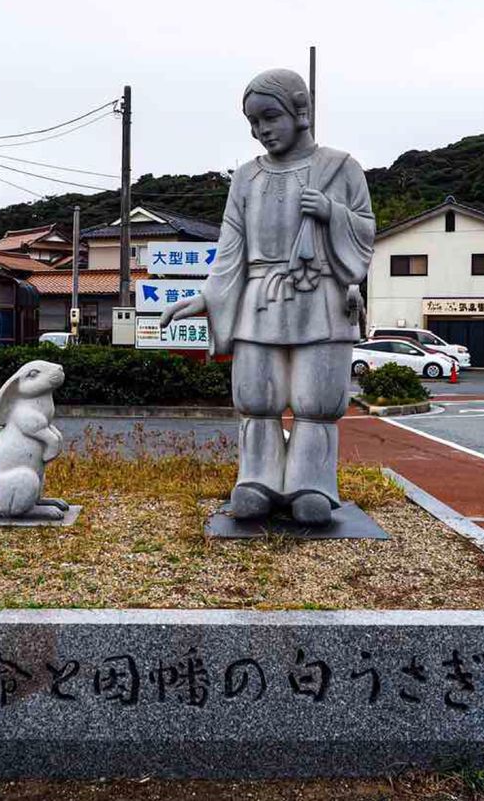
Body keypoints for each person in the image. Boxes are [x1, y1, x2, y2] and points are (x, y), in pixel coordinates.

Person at [160, 68, 374, 525]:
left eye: (270, 117)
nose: (262, 131)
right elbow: (231, 246)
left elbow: (365, 232)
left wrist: (332, 212)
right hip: (259, 299)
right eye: (254, 123)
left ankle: (312, 485)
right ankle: (256, 479)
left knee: (316, 401)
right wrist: (208, 296)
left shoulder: (341, 168)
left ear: (300, 110)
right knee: (257, 397)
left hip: (319, 294)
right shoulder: (246, 178)